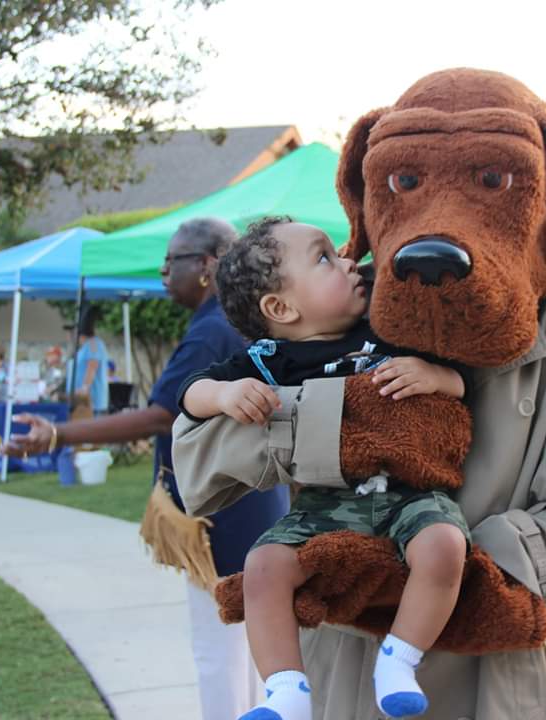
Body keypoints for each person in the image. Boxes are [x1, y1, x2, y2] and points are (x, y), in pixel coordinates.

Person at [180, 218, 470, 720]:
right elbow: (191, 394)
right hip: (324, 503)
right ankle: (285, 690)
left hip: (410, 494)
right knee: (262, 566)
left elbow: (465, 382)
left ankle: (400, 660)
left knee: (445, 546)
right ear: (281, 309)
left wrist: (436, 376)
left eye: (338, 252)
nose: (349, 262)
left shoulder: (387, 326)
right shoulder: (270, 359)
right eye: (324, 258)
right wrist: (226, 394)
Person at [5, 218, 289, 718]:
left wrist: (58, 434)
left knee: (220, 649)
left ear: (206, 265)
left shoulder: (211, 331)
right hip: (252, 505)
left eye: (171, 261)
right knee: (247, 647)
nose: (163, 272)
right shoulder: (236, 321)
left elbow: (162, 414)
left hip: (222, 519)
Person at [69, 306, 110, 414]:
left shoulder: (93, 344)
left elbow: (92, 366)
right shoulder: (84, 347)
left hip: (91, 402)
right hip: (81, 401)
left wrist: (84, 388)